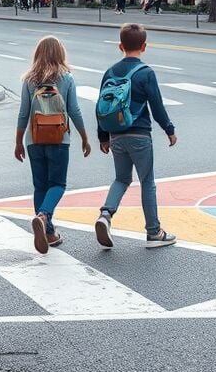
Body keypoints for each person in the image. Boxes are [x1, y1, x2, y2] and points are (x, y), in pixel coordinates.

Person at [94, 23, 177, 250]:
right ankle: (154, 232)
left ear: (120, 46)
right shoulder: (146, 73)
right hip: (140, 134)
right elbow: (157, 106)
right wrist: (169, 130)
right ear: (144, 46)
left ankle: (105, 214)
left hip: (116, 136)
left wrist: (103, 137)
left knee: (121, 179)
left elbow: (100, 106)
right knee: (147, 182)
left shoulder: (110, 72)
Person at [15, 36, 92, 254]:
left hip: (34, 139)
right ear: (60, 54)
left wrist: (19, 142)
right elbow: (74, 111)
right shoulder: (66, 77)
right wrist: (85, 137)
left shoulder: (29, 79)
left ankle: (48, 233)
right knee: (57, 184)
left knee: (40, 185)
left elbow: (23, 113)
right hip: (59, 139)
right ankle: (43, 216)